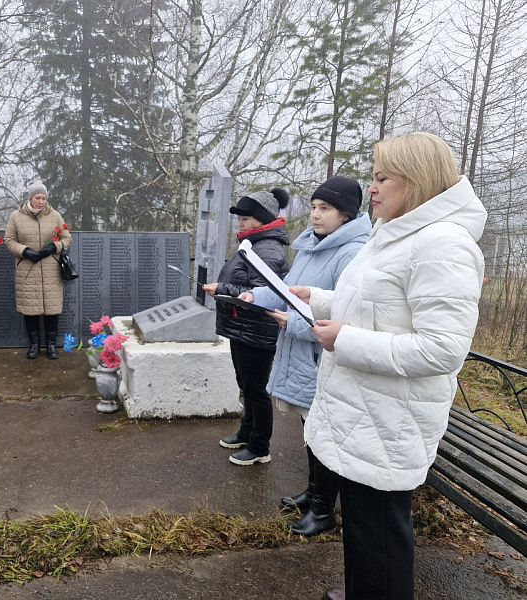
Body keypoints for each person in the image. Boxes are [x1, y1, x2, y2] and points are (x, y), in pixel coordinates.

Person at [293, 132, 486, 600]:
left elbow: (442, 349)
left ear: (415, 181)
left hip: (389, 420)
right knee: (363, 532)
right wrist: (318, 300)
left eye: (382, 178)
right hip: (365, 410)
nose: (372, 188)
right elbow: (374, 304)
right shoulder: (394, 235)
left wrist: (346, 340)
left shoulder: (443, 244)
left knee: (380, 536)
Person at [240, 176, 371, 536]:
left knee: (324, 435)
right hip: (301, 355)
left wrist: (292, 324)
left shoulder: (352, 253)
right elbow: (288, 291)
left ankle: (324, 511)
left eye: (324, 208)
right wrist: (257, 297)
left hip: (321, 358)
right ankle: (313, 493)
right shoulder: (313, 245)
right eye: (313, 207)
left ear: (345, 214)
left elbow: (341, 315)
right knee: (310, 432)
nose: (314, 215)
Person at [202, 189, 290, 465]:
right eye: (239, 216)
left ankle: (260, 447)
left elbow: (265, 291)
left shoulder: (267, 249)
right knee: (246, 385)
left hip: (257, 328)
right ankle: (246, 432)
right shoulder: (252, 243)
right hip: (242, 325)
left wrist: (222, 288)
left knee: (256, 389)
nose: (240, 221)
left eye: (246, 216)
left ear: (261, 219)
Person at [4, 181, 72, 360]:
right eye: (37, 198)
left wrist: (54, 247)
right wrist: (25, 251)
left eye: (44, 198)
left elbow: (67, 237)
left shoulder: (55, 215)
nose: (41, 202)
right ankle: (34, 344)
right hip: (27, 269)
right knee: (30, 309)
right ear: (30, 198)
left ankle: (51, 345)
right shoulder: (16, 216)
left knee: (52, 308)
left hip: (50, 269)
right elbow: (9, 240)